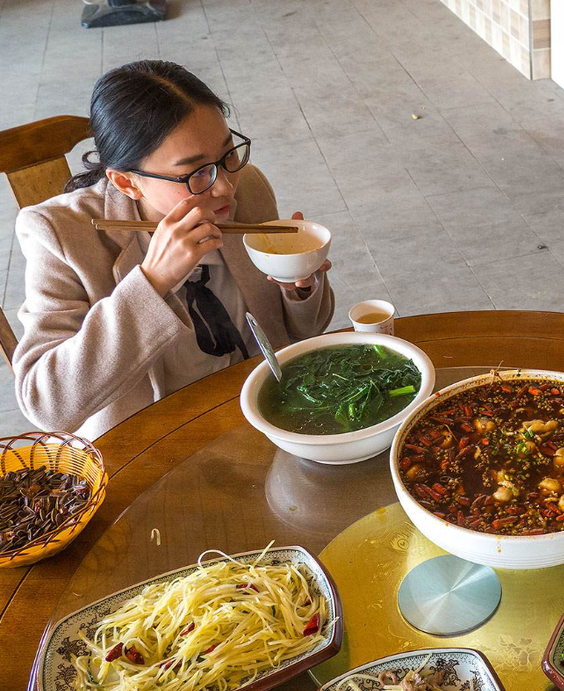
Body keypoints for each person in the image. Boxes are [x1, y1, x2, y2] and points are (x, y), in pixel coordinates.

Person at [13, 60, 334, 439]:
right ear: (126, 182)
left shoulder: (247, 187)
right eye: (193, 172)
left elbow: (302, 333)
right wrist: (153, 281)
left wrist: (298, 286)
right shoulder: (59, 233)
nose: (224, 187)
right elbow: (45, 405)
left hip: (265, 411)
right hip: (154, 444)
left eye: (228, 154)